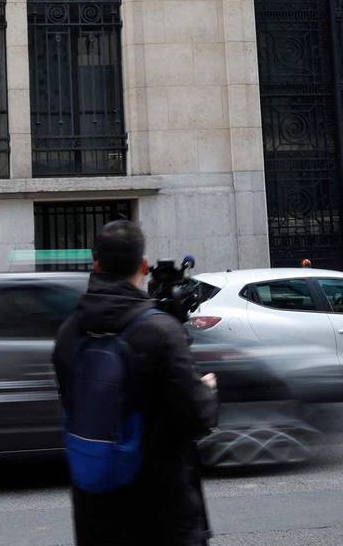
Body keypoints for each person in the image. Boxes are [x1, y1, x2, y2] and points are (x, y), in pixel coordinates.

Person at [52, 221, 219, 546]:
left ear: (96, 265)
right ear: (143, 266)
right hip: (162, 511)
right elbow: (198, 415)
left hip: (95, 510)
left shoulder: (68, 332)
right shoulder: (161, 332)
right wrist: (208, 390)